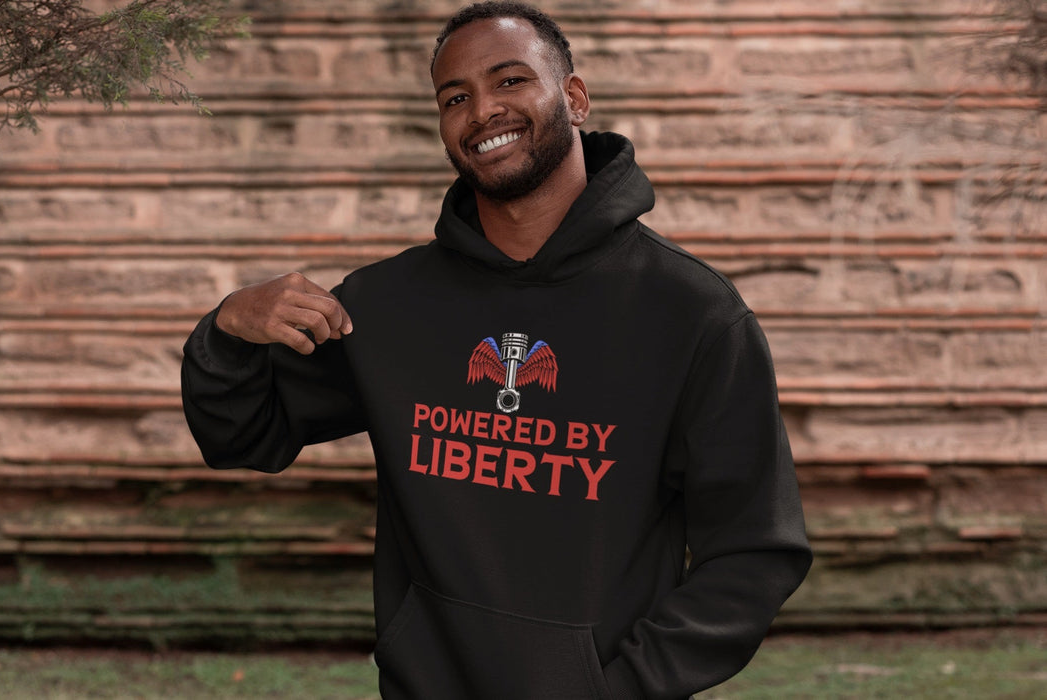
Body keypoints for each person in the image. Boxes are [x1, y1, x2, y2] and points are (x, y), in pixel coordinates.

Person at [181, 2, 812, 698]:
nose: (483, 111)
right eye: (456, 97)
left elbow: (754, 551)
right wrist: (229, 331)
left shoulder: (692, 315)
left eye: (510, 81)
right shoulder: (387, 306)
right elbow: (242, 437)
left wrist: (620, 689)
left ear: (574, 98)